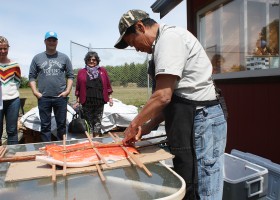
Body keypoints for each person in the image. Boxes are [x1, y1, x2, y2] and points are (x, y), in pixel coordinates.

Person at [114, 9, 227, 200]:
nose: (136, 49)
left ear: (140, 27)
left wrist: (134, 125)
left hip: (202, 117)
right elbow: (170, 102)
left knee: (203, 182)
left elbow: (163, 96)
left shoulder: (169, 38)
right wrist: (147, 128)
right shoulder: (159, 45)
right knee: (188, 178)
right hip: (188, 115)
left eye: (133, 42)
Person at [29, 31, 74, 142]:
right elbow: (31, 76)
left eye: (54, 40)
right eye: (49, 40)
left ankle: (61, 147)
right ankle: (47, 148)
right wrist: (35, 92)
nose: (51, 42)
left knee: (61, 125)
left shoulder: (64, 57)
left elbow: (70, 76)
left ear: (57, 42)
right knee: (45, 126)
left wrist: (67, 91)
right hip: (44, 97)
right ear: (45, 41)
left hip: (60, 97)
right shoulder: (37, 58)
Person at [74, 51, 113, 137]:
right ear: (86, 60)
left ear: (97, 61)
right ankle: (90, 138)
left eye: (94, 59)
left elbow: (107, 84)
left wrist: (110, 97)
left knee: (98, 121)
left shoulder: (102, 70)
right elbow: (78, 86)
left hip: (99, 99)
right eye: (89, 59)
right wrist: (77, 99)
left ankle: (97, 137)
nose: (91, 61)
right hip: (86, 100)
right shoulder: (81, 72)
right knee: (88, 121)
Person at [0, 36, 21, 145]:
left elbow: (18, 81)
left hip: (13, 100)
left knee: (12, 130)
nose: (3, 51)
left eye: (5, 48)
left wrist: (9, 92)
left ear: (8, 48)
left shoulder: (15, 65)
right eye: (0, 48)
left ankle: (13, 156)